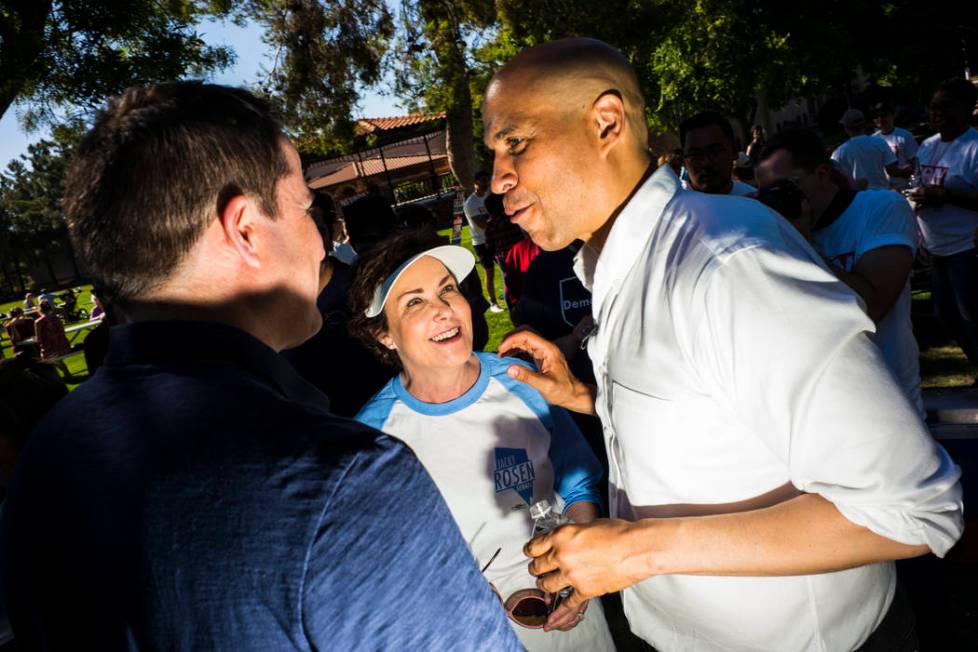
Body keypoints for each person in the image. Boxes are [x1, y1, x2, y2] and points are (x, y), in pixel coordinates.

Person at [0, 81, 520, 651]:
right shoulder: (341, 481)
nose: (322, 245)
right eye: (304, 208)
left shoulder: (47, 454)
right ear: (245, 229)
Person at [483, 37, 962, 651]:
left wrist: (635, 550)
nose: (497, 180)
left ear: (606, 123)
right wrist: (589, 399)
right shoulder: (616, 265)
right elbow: (713, 418)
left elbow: (917, 509)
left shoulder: (726, 264)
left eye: (516, 143)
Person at [348, 228, 615, 651]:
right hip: (466, 630)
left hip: (571, 609)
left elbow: (578, 478)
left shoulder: (520, 381)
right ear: (384, 334)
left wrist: (580, 563)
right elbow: (383, 560)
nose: (443, 310)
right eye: (414, 301)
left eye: (447, 290)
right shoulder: (372, 438)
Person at [756, 129, 924, 414]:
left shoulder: (880, 208)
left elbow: (870, 306)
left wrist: (803, 242)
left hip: (887, 408)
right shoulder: (772, 231)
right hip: (814, 407)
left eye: (785, 188)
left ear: (821, 174)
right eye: (766, 194)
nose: (777, 202)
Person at [908, 78, 978, 376]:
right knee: (946, 316)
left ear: (967, 109)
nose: (935, 114)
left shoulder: (974, 146)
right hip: (936, 247)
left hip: (968, 246)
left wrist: (946, 195)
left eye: (943, 108)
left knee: (972, 316)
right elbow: (921, 184)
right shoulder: (928, 146)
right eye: (932, 108)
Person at [484, 193, 540, 312]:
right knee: (527, 276)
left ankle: (513, 306)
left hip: (503, 257)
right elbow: (521, 235)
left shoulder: (490, 225)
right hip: (520, 254)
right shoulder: (511, 220)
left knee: (509, 282)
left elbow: (489, 244)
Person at [679, 111, 755, 196]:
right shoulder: (671, 207)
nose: (706, 162)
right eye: (695, 155)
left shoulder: (758, 204)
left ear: (734, 150)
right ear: (683, 160)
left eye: (715, 151)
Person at [464, 170, 505, 312]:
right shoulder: (470, 203)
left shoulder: (491, 196)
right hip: (481, 242)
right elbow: (481, 225)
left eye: (487, 179)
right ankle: (493, 302)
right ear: (475, 183)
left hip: (496, 237)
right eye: (482, 180)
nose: (486, 183)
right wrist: (496, 220)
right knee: (490, 272)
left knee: (507, 267)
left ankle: (512, 295)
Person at [832, 109, 903, 190]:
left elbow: (838, 181)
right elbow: (892, 170)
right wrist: (906, 172)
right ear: (863, 124)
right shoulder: (879, 142)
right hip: (883, 194)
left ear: (846, 128)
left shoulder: (838, 153)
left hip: (859, 199)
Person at [871, 102, 919, 191]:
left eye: (883, 115)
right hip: (882, 189)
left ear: (892, 115)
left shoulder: (905, 135)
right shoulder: (872, 139)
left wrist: (909, 173)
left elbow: (916, 163)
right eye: (876, 116)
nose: (880, 118)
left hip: (904, 187)